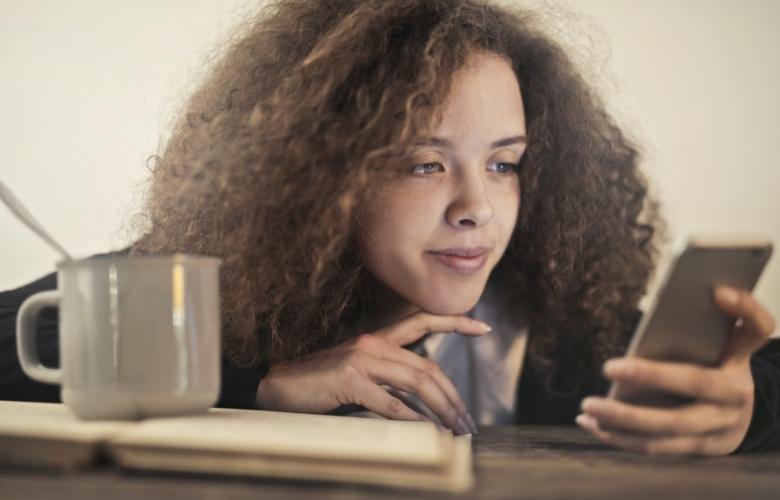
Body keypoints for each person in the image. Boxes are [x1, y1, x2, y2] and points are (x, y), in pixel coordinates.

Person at [1, 0, 778, 456]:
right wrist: (258, 387)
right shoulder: (202, 288)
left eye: (504, 163)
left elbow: (750, 380)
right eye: (421, 164)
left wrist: (747, 407)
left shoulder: (549, 318)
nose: (477, 205)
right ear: (317, 176)